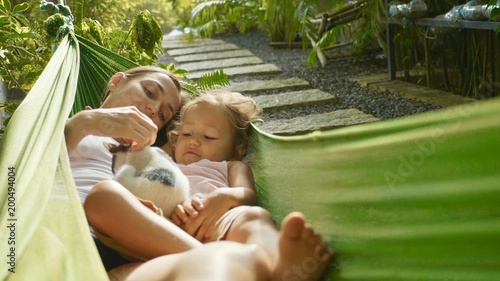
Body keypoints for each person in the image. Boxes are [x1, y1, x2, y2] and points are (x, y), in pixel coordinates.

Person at [68, 67, 331, 280]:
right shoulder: (65, 126)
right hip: (96, 231)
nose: (152, 109)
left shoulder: (149, 152)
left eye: (163, 114)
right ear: (116, 80)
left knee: (248, 226)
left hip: (153, 243)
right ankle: (212, 254)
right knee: (103, 195)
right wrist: (87, 122)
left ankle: (278, 264)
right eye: (148, 91)